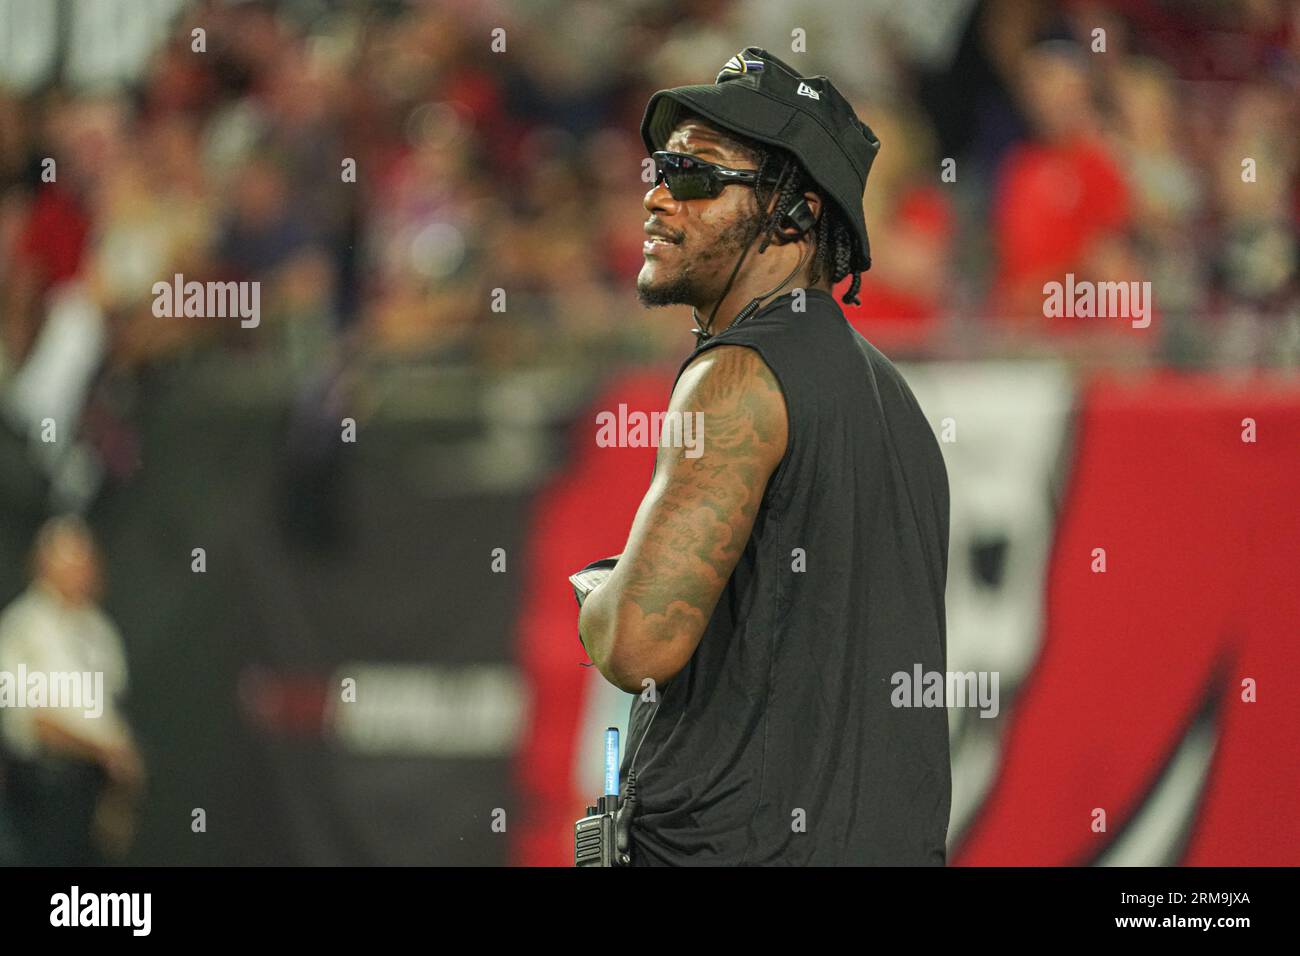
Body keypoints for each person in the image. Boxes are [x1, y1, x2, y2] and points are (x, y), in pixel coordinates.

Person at [577, 47, 951, 865]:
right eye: (659, 166)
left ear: (794, 212)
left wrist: (602, 595)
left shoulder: (734, 375)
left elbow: (637, 643)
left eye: (696, 173)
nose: (656, 194)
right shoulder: (898, 404)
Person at [0, 515, 144, 864]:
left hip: (91, 792)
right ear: (44, 567)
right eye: (72, 564)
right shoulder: (23, 628)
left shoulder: (101, 632)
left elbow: (109, 714)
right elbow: (29, 723)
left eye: (86, 563)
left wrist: (123, 770)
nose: (84, 574)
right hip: (42, 789)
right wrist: (99, 750)